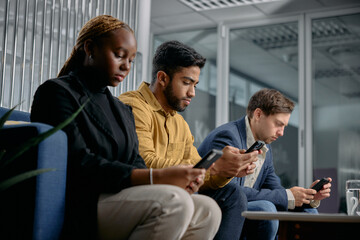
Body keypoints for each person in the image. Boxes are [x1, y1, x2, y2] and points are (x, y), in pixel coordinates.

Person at [30, 15, 222, 240]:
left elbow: (136, 162)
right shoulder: (58, 92)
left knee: (207, 210)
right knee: (174, 202)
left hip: (120, 195)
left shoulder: (120, 109)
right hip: (84, 200)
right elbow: (80, 162)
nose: (126, 66)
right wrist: (159, 177)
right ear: (90, 48)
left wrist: (172, 179)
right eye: (119, 56)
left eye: (131, 60)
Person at [119, 40, 259, 240]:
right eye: (186, 83)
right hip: (140, 191)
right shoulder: (133, 106)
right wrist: (215, 166)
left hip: (175, 192)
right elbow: (143, 163)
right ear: (162, 78)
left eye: (195, 85)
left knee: (233, 193)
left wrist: (227, 170)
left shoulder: (180, 124)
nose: (192, 93)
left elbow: (201, 173)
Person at [198, 88, 332, 240]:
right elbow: (231, 190)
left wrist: (308, 197)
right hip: (221, 204)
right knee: (266, 208)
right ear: (258, 114)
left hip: (245, 204)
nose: (281, 132)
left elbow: (275, 190)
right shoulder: (228, 136)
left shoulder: (264, 145)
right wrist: (287, 195)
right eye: (278, 124)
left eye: (284, 126)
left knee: (309, 213)